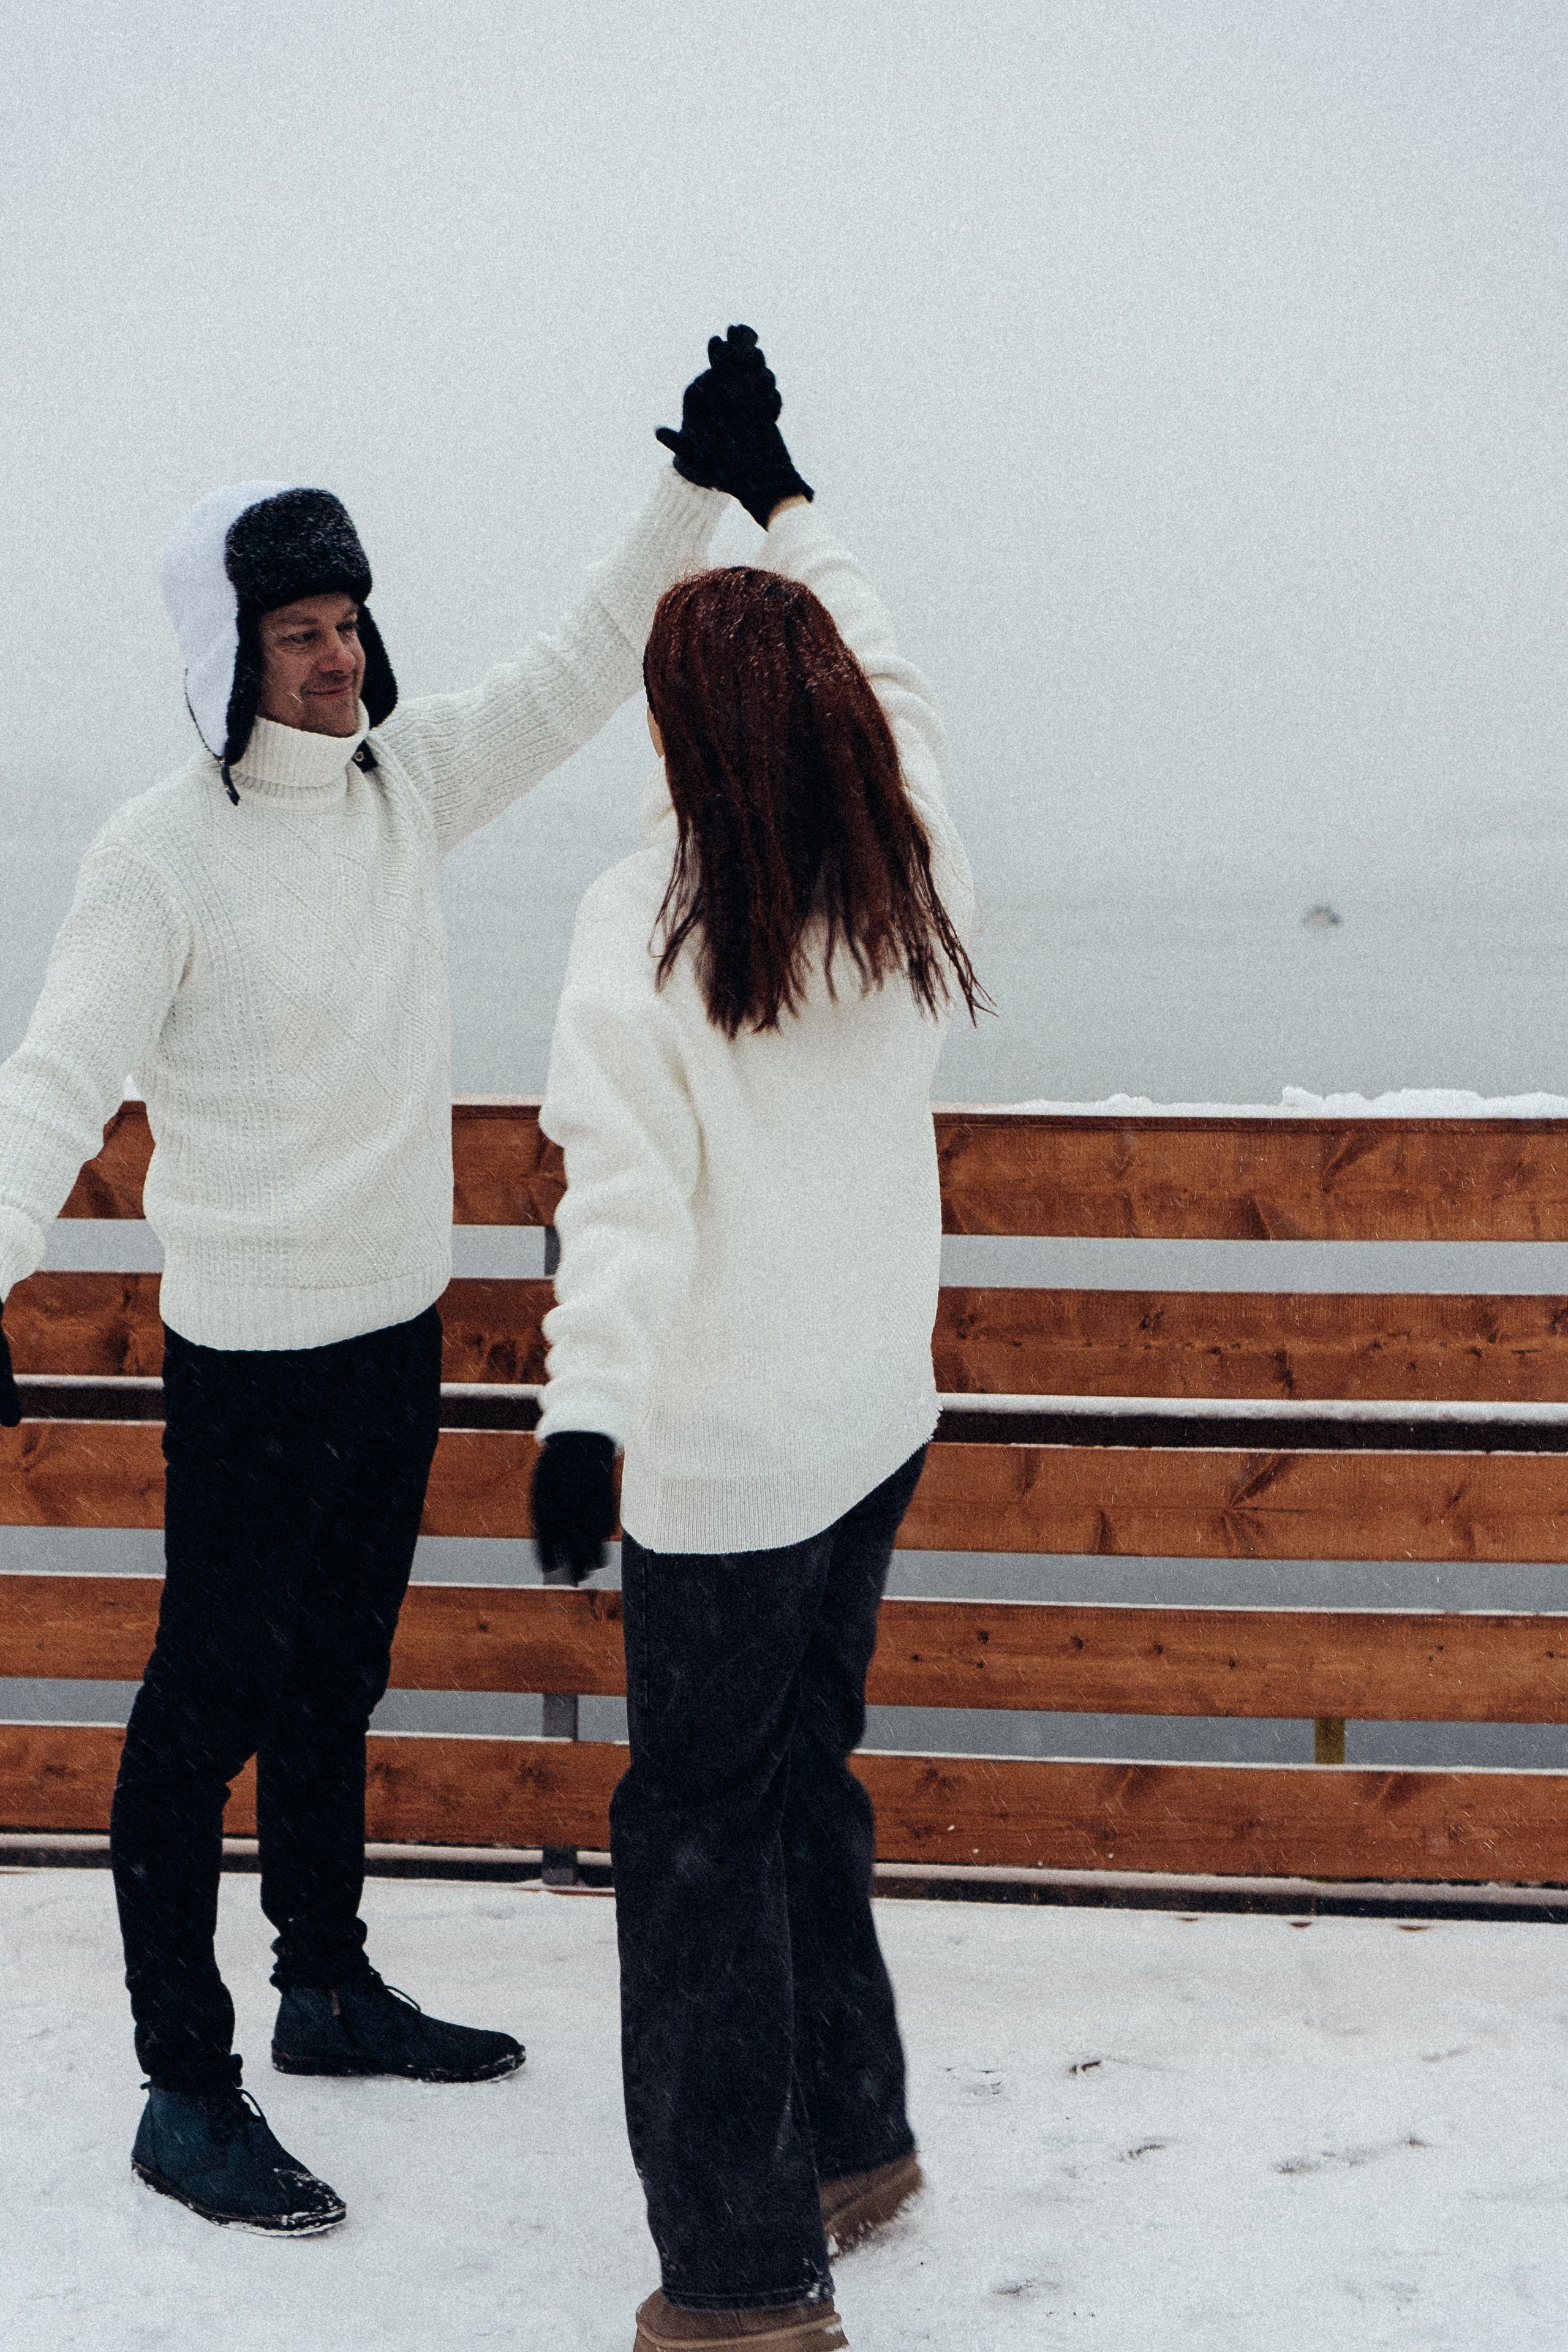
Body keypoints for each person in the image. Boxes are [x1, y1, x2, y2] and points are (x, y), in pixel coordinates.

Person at [0, 399, 729, 2232]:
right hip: (248, 1359)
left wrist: (694, 482)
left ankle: (323, 1986)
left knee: (340, 1677)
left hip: (393, 1334)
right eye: (297, 632)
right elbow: (51, 1088)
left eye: (348, 623)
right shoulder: (158, 855)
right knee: (200, 1716)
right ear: (225, 655)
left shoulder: (406, 790)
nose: (337, 659)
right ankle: (187, 2085)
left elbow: (578, 666)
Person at [531, 327, 983, 2352]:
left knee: (696, 1844)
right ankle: (855, 2143)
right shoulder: (901, 871)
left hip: (723, 1485)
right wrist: (785, 499)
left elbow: (618, 1213)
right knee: (804, 1778)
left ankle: (738, 2280)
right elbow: (881, 663)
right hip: (874, 1430)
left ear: (682, 728)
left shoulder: (650, 928)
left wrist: (583, 1421)